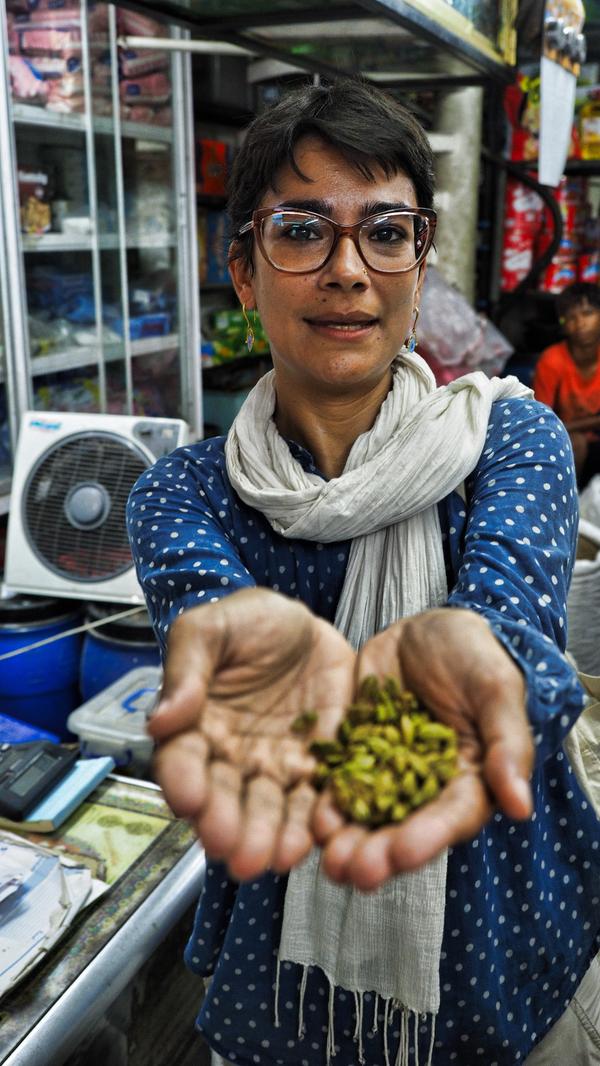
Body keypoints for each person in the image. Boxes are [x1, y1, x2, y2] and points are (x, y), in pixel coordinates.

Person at [126, 80, 600, 1066]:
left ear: (420, 263)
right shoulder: (183, 495)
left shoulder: (509, 438)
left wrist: (477, 652)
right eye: (302, 230)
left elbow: (510, 623)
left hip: (503, 972)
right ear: (244, 272)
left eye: (386, 232)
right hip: (285, 1007)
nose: (349, 270)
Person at [533, 281, 600, 487]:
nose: (580, 323)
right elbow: (541, 419)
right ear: (563, 325)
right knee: (575, 443)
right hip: (564, 437)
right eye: (571, 318)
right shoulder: (552, 360)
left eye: (588, 313)